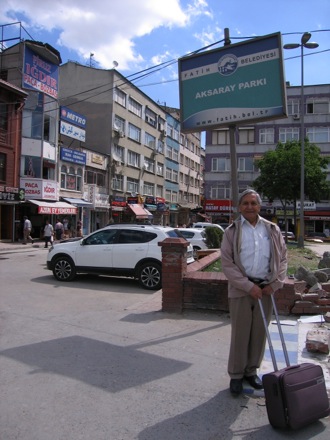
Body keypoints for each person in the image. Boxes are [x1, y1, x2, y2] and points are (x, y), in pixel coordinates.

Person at [220, 189, 287, 396]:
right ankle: (236, 375)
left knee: (259, 333)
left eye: (253, 203)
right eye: (245, 203)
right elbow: (227, 264)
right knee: (240, 334)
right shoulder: (232, 231)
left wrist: (273, 285)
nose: (250, 207)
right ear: (239, 207)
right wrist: (249, 286)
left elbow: (283, 259)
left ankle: (251, 371)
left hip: (265, 289)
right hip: (242, 289)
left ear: (260, 206)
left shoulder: (272, 229)